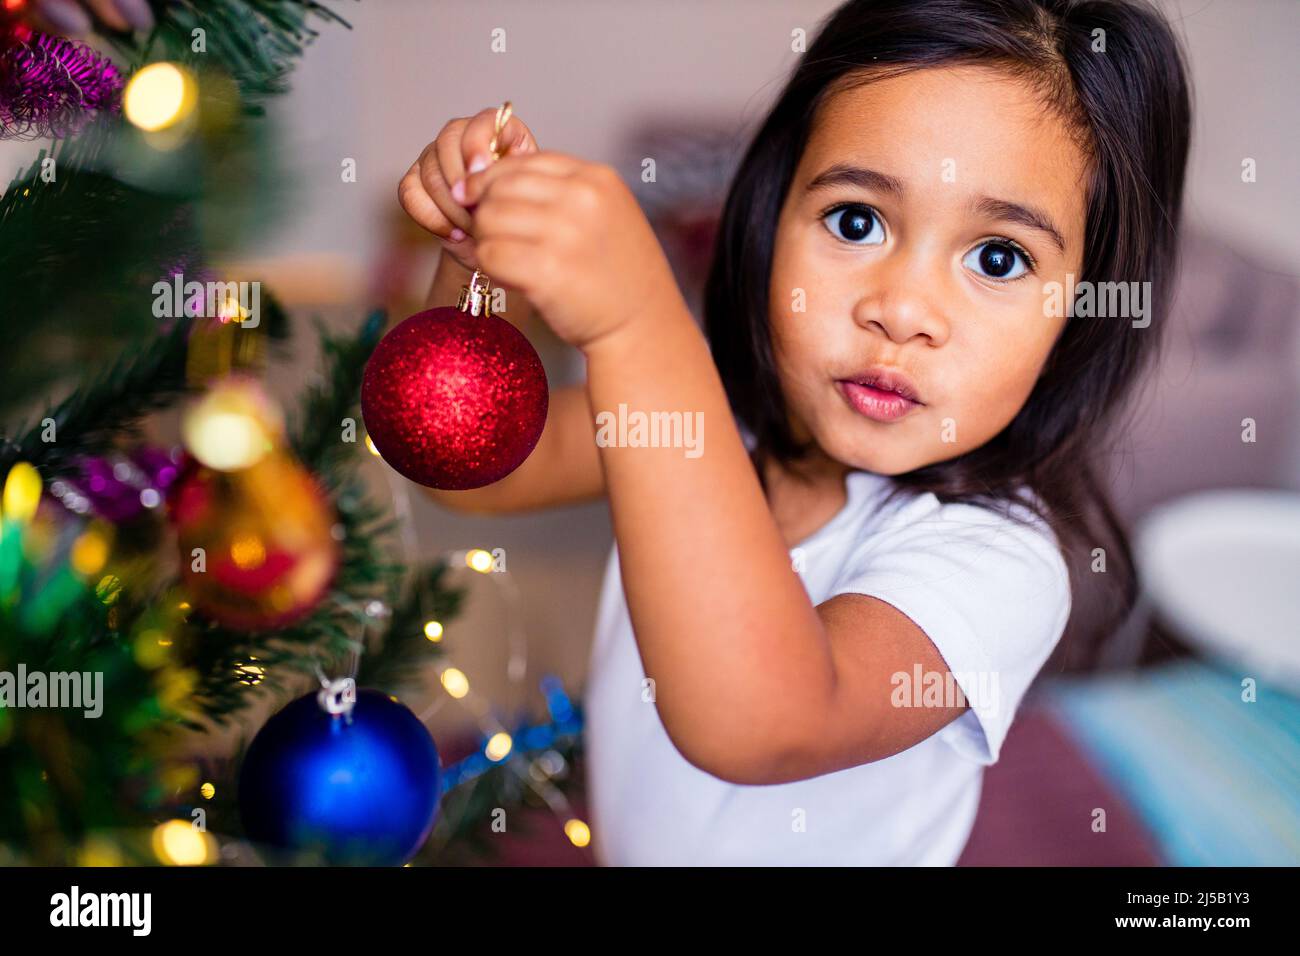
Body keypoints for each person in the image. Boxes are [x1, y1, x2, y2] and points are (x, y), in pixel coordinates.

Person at [396, 0, 1191, 864]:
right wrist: (473, 259)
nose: (901, 310)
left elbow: (758, 721)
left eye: (997, 257)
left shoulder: (1001, 562)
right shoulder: (722, 410)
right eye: (857, 220)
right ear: (770, 218)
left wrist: (638, 329)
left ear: (1081, 314)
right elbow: (475, 469)